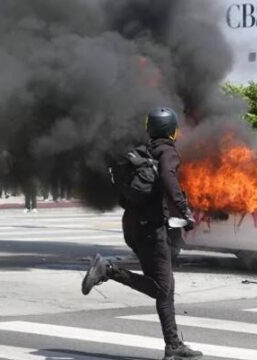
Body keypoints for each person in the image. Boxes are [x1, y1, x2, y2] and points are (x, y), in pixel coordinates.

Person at [81, 107, 202, 360]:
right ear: (172, 130)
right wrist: (184, 210)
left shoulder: (142, 151)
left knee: (165, 287)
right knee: (162, 289)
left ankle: (173, 346)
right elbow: (169, 179)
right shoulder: (167, 152)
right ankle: (108, 269)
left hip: (133, 225)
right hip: (151, 229)